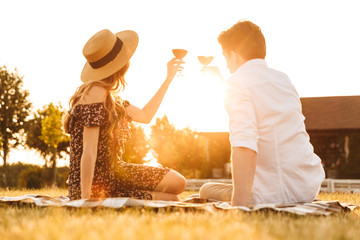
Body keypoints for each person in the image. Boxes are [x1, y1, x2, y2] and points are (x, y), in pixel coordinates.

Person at [199, 20, 325, 207]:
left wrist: (239, 205)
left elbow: (244, 143)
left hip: (272, 193)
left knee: (206, 189)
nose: (226, 65)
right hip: (306, 187)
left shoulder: (236, 83)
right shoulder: (283, 79)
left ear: (233, 54)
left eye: (225, 58)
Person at [63, 29, 186, 201]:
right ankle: (105, 196)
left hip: (116, 172)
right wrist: (84, 199)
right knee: (173, 198)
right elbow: (89, 151)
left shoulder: (111, 99)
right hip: (95, 183)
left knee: (178, 185)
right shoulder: (95, 92)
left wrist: (168, 79)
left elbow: (145, 116)